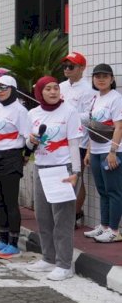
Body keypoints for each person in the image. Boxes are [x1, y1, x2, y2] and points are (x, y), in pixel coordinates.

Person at [26, 76, 83, 280]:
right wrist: (30, 139)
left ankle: (65, 264)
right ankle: (48, 258)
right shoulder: (32, 113)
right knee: (43, 217)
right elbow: (27, 141)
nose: (53, 92)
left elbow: (74, 143)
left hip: (63, 170)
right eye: (48, 89)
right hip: (41, 168)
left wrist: (75, 172)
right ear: (39, 92)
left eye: (56, 88)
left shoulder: (69, 111)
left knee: (63, 220)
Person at [0, 75, 30, 259]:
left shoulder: (20, 110)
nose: (0, 92)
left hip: (12, 157)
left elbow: (27, 137)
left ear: (13, 89)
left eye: (4, 88)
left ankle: (13, 243)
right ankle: (3, 239)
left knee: (10, 201)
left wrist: (25, 157)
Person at [83, 63, 122, 243]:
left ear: (112, 79)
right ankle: (104, 226)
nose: (101, 79)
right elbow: (93, 127)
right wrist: (89, 152)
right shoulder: (95, 98)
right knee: (102, 190)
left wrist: (113, 151)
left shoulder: (116, 98)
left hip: (110, 151)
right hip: (97, 150)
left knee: (114, 191)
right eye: (97, 76)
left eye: (105, 76)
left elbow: (119, 126)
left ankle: (114, 230)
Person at [59, 52, 94, 226]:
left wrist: (68, 117)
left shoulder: (88, 89)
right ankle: (65, 213)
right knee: (63, 178)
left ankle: (75, 214)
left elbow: (90, 116)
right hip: (59, 142)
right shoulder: (60, 86)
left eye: (71, 66)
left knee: (76, 179)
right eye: (64, 66)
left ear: (81, 68)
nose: (66, 69)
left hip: (79, 142)